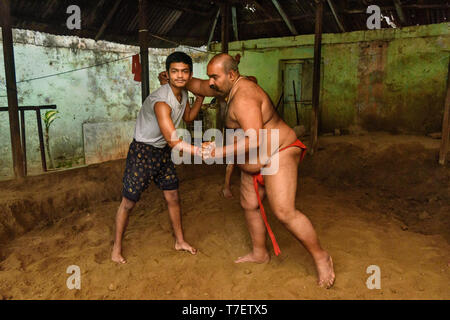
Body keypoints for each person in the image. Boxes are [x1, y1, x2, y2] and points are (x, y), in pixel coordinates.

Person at [185, 53, 335, 288]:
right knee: (250, 205)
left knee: (284, 211)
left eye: (214, 77)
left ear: (232, 75)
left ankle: (321, 256)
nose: (211, 82)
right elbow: (199, 86)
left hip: (279, 151)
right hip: (255, 159)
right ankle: (259, 252)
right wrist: (177, 77)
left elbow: (254, 139)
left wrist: (217, 150)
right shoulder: (225, 87)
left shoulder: (244, 97)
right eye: (210, 77)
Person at [112, 51, 204, 264]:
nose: (180, 76)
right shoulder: (161, 101)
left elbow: (188, 117)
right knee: (128, 201)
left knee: (172, 196)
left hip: (162, 151)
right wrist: (200, 151)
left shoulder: (183, 95)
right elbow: (174, 140)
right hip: (143, 152)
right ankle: (116, 248)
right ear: (167, 73)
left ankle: (179, 240)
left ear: (190, 74)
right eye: (175, 71)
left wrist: (200, 96)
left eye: (184, 71)